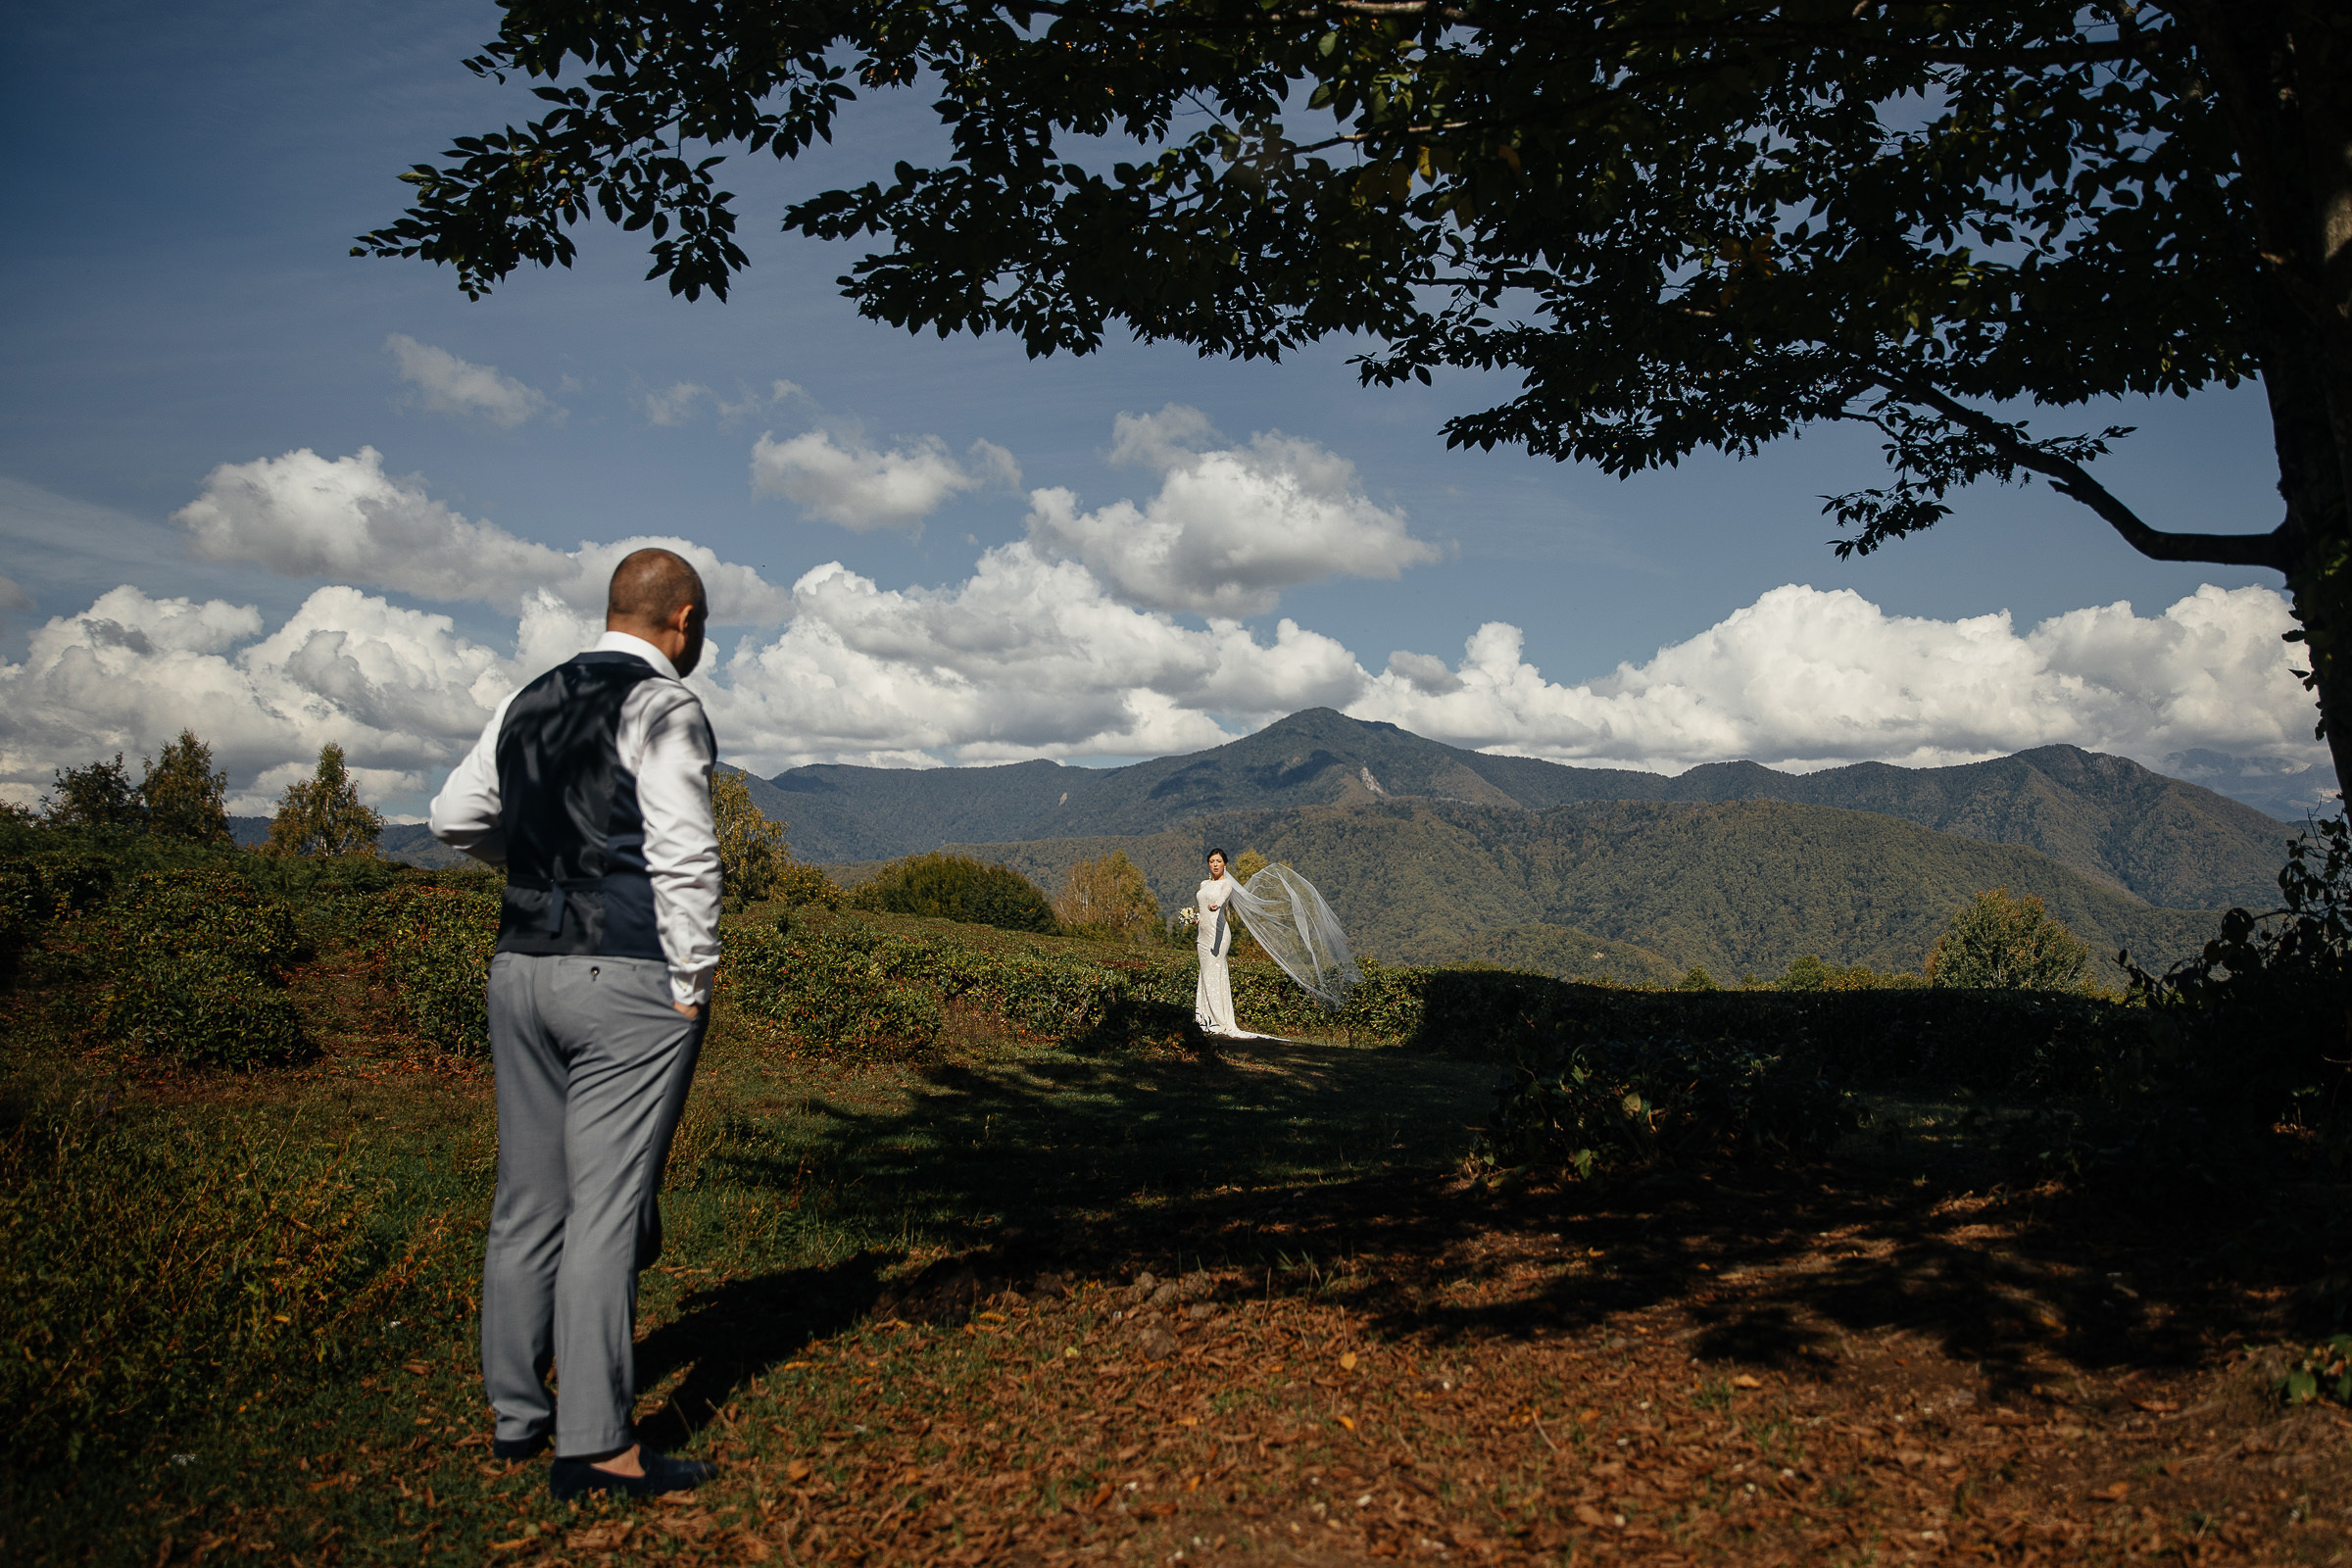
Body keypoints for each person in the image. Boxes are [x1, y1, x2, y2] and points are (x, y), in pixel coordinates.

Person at [428, 547, 722, 1500]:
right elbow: (683, 856)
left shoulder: (530, 699)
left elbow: (452, 816)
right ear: (682, 621)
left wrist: (537, 869)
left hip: (519, 965)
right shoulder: (663, 705)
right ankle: (597, 1444)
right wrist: (692, 982)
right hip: (626, 973)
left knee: (528, 1197)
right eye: (702, 627)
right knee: (606, 1208)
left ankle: (517, 1414)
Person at [1194, 848, 1246, 1037]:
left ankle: (1220, 1019)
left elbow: (1222, 900)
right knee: (1205, 973)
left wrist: (1217, 905)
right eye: (1212, 861)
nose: (1215, 865)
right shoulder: (1203, 884)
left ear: (1224, 864)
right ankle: (1204, 1017)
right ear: (1208, 864)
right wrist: (1196, 918)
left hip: (1219, 934)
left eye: (1218, 861)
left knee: (1215, 972)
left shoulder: (1227, 884)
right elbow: (1202, 908)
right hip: (1202, 934)